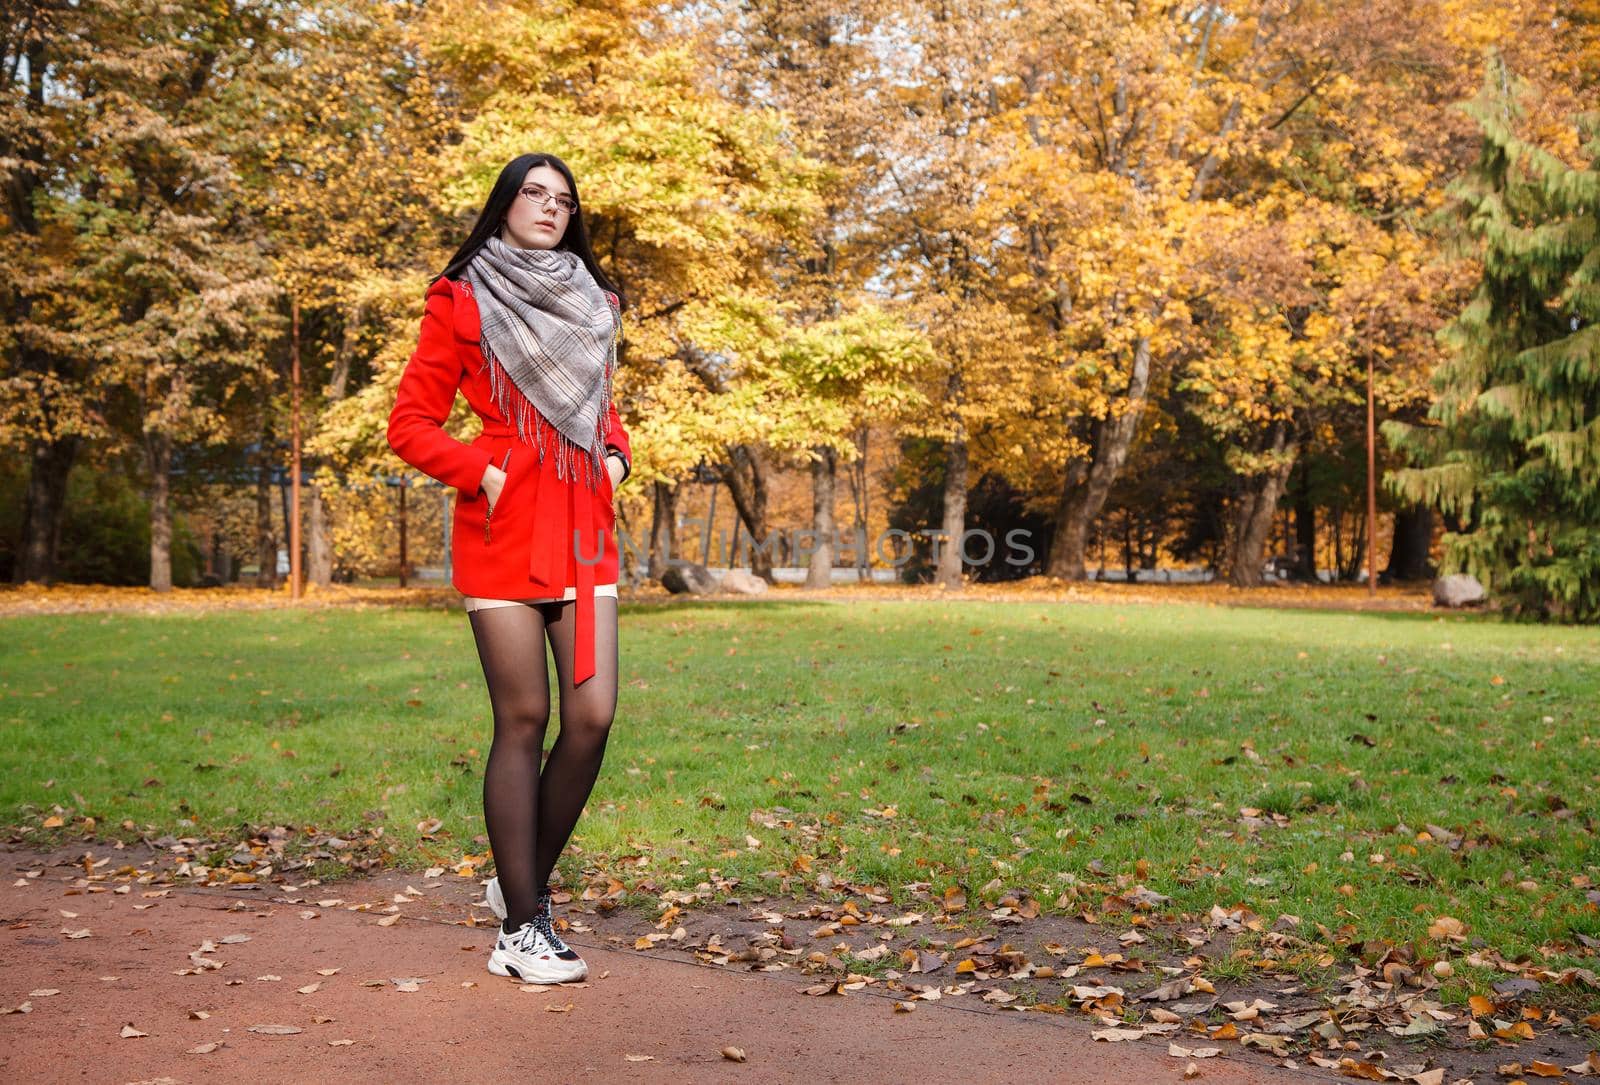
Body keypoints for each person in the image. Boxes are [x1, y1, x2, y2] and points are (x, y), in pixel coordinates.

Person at [387, 153, 631, 984]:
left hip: (587, 533)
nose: (550, 207)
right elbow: (410, 423)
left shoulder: (593, 306)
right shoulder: (461, 299)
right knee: (523, 719)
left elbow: (603, 409)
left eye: (563, 200)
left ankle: (514, 883)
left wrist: (616, 461)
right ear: (504, 205)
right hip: (503, 529)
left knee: (592, 716)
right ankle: (522, 927)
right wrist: (482, 469)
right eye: (535, 193)